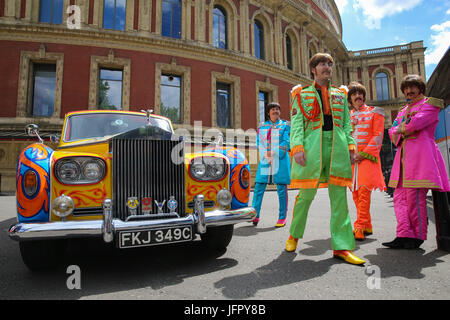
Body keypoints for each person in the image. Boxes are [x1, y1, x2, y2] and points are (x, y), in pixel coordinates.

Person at [285, 53, 365, 265]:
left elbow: (347, 124)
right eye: (322, 64)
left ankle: (342, 247)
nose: (327, 67)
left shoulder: (340, 94)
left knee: (340, 199)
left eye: (330, 63)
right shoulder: (301, 94)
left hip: (337, 148)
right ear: (313, 69)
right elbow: (297, 124)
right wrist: (298, 147)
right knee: (306, 196)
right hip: (312, 147)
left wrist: (350, 146)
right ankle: (293, 235)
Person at [383, 74, 450, 249]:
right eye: (406, 88)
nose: (409, 91)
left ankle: (418, 236)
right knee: (399, 198)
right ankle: (403, 234)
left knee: (415, 199)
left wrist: (402, 129)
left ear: (420, 88)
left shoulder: (430, 104)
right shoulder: (403, 111)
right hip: (402, 159)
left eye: (412, 87)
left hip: (421, 157)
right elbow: (392, 132)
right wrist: (403, 130)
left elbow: (416, 124)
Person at [348, 82, 386, 241]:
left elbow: (377, 136)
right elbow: (344, 136)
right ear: (350, 98)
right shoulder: (347, 116)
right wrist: (349, 154)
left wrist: (362, 154)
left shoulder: (374, 113)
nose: (358, 96)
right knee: (356, 193)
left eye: (360, 93)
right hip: (351, 160)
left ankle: (359, 226)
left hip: (366, 159)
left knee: (363, 192)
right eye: (355, 94)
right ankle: (367, 224)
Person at [252, 102, 291, 227]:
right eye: (273, 109)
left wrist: (273, 153)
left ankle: (282, 218)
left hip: (281, 160)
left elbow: (286, 141)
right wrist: (265, 154)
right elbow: (260, 142)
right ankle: (255, 215)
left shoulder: (285, 125)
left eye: (277, 109)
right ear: (268, 112)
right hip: (265, 160)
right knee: (258, 187)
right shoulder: (262, 127)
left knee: (281, 190)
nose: (275, 111)